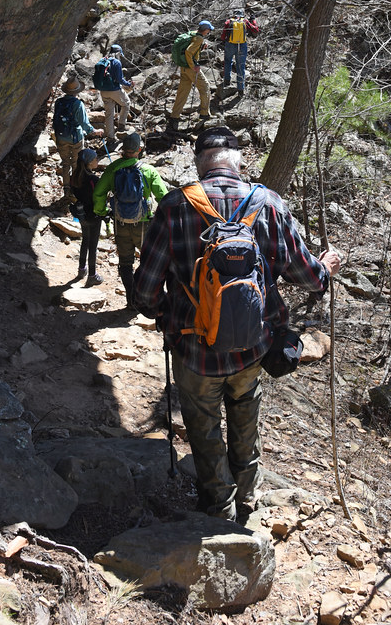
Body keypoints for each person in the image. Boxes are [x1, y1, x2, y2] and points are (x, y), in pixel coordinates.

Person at [133, 125, 341, 521]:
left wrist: (166, 315)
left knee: (203, 425)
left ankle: (218, 504)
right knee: (246, 415)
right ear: (239, 160)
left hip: (194, 350)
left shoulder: (176, 205)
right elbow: (311, 278)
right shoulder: (269, 204)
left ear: (199, 161)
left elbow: (144, 291)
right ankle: (247, 497)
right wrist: (326, 267)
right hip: (253, 347)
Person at [92, 132, 168, 304]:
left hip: (121, 224)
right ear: (139, 150)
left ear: (122, 151)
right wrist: (160, 218)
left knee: (125, 263)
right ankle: (148, 298)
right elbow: (164, 197)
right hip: (143, 225)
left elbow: (98, 193)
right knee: (148, 261)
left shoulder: (113, 168)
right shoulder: (149, 170)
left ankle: (131, 299)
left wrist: (103, 211)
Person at [52, 75, 103, 198]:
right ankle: (76, 190)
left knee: (65, 163)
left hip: (61, 137)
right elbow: (84, 123)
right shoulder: (77, 104)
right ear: (77, 91)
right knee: (76, 163)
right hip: (75, 138)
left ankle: (66, 190)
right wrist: (95, 131)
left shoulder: (59, 102)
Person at [168, 20, 214, 131]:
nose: (209, 31)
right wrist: (194, 65)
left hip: (183, 67)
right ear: (205, 30)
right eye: (209, 29)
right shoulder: (199, 38)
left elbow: (189, 49)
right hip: (190, 68)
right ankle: (204, 114)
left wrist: (201, 47)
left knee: (183, 92)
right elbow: (189, 52)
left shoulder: (192, 34)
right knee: (205, 87)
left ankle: (175, 116)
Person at [70, 148, 103, 284]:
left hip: (81, 214)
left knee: (85, 240)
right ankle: (92, 275)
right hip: (93, 215)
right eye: (95, 159)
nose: (97, 161)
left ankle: (81, 269)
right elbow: (99, 197)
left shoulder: (75, 177)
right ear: (89, 163)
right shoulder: (93, 179)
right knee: (93, 245)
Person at [97, 44, 132, 146]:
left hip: (103, 91)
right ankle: (121, 125)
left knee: (109, 114)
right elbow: (120, 79)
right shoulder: (116, 63)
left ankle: (111, 138)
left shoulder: (102, 61)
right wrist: (129, 84)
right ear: (117, 53)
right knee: (126, 104)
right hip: (114, 90)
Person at [219, 9, 259, 96]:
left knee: (227, 62)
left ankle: (227, 81)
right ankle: (240, 89)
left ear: (234, 14)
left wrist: (224, 41)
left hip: (230, 44)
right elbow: (255, 30)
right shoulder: (245, 21)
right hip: (241, 45)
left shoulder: (229, 21)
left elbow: (223, 36)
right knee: (241, 66)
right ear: (242, 15)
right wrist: (254, 20)